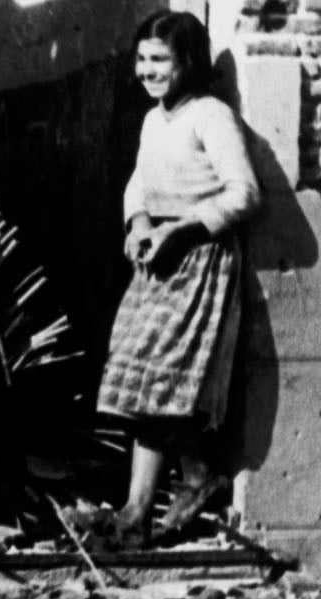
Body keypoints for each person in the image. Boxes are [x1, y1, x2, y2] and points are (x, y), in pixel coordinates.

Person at [88, 10, 261, 546]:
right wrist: (139, 223)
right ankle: (175, 486)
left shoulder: (211, 115)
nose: (148, 70)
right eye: (142, 60)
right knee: (139, 374)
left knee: (159, 378)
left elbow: (244, 193)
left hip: (199, 258)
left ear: (189, 61)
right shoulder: (153, 120)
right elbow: (139, 183)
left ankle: (150, 503)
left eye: (160, 59)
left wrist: (182, 230)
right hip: (157, 259)